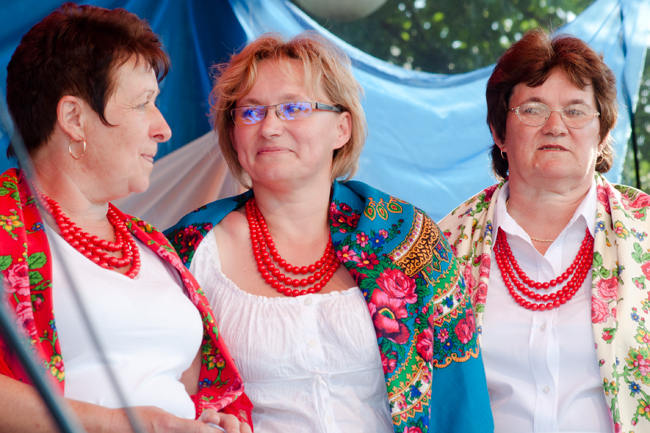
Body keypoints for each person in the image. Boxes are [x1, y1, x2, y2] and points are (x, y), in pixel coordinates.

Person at [165, 32, 493, 433]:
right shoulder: (187, 252)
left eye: (294, 108)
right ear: (232, 133)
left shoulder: (406, 238)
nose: (269, 127)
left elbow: (461, 397)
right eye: (250, 112)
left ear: (342, 128)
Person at [0, 4, 252, 432]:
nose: (163, 129)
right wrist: (125, 424)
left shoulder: (154, 246)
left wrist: (217, 420)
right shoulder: (7, 228)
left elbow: (199, 393)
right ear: (74, 118)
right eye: (143, 104)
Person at [438, 28, 650, 432]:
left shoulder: (647, 231)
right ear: (499, 133)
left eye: (575, 110)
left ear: (603, 132)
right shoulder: (443, 245)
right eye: (533, 109)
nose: (555, 126)